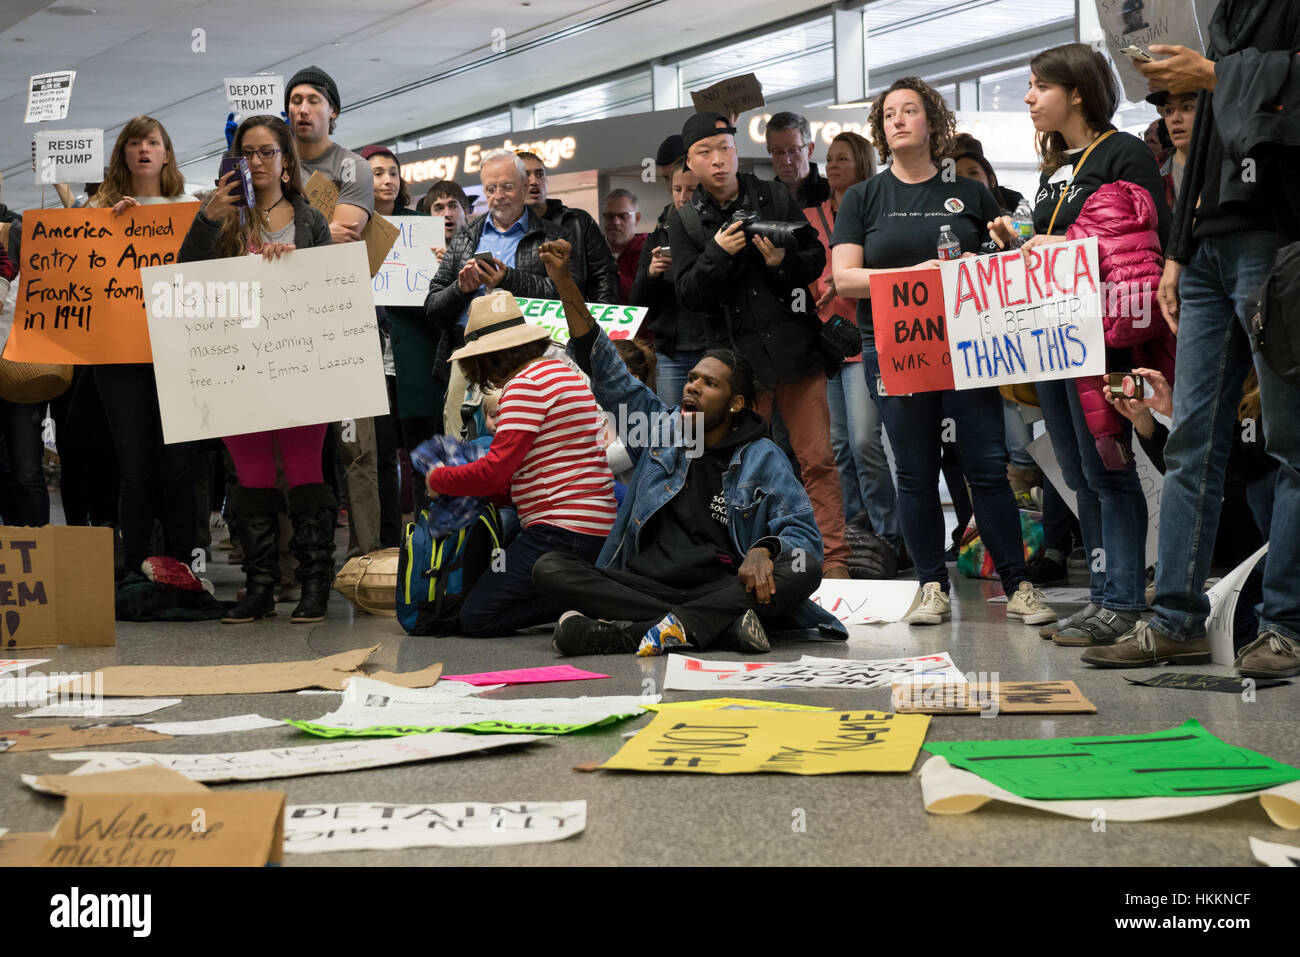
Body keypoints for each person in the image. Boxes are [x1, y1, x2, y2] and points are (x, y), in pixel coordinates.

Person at [1085, 1, 1300, 677]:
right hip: (1209, 241)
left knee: (1290, 442)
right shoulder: (1223, 9)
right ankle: (1174, 616)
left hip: (1277, 232)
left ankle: (1286, 624)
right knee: (1191, 441)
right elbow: (1202, 139)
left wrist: (1212, 72)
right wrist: (1177, 251)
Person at [532, 238, 844, 656]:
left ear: (735, 404)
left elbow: (805, 537)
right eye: (693, 378)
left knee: (803, 571)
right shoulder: (661, 431)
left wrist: (764, 549)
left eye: (709, 383)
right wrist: (564, 282)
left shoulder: (759, 456)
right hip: (645, 582)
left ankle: (641, 632)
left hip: (724, 583)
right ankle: (718, 625)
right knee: (550, 568)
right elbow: (603, 364)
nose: (693, 387)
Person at [830, 77, 1057, 626]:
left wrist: (1008, 245)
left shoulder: (971, 194)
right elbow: (844, 279)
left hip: (966, 344)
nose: (898, 121)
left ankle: (1018, 585)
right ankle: (931, 585)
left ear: (932, 121)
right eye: (889, 115)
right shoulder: (864, 197)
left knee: (986, 465)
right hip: (895, 345)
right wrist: (908, 275)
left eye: (910, 111)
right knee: (914, 469)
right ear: (881, 130)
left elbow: (1002, 261)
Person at [988, 43, 1170, 647]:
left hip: (1105, 340)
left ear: (1078, 92)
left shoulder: (1125, 153)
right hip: (1053, 339)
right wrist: (1022, 240)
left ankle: (1122, 598)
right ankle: (1101, 596)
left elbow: (1142, 247)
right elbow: (1061, 245)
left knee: (1109, 469)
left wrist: (1062, 249)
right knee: (1077, 475)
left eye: (1040, 85)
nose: (1029, 97)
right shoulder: (1053, 168)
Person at [670, 111, 852, 579]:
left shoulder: (772, 195)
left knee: (818, 462)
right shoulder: (686, 219)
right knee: (743, 468)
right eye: (704, 153)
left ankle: (832, 562)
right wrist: (718, 254)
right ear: (690, 163)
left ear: (737, 151)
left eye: (725, 149)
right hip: (738, 371)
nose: (718, 160)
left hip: (797, 352)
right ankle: (752, 561)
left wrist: (781, 263)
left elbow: (813, 259)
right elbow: (689, 293)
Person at [177, 114, 335, 623]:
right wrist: (207, 220)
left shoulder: (310, 221)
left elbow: (327, 288)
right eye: (247, 152)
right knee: (252, 476)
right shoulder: (221, 218)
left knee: (306, 470)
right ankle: (260, 587)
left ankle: (314, 585)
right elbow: (185, 282)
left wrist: (295, 263)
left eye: (268, 152)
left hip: (301, 363)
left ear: (287, 161)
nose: (257, 162)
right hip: (237, 364)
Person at [424, 290, 617, 637]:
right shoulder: (560, 373)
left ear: (488, 358)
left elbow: (494, 471)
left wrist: (440, 479)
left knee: (477, 616)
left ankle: (590, 596)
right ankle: (587, 589)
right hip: (592, 525)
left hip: (559, 529)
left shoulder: (525, 386)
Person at [87, 117, 201, 574]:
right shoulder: (97, 207)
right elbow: (82, 277)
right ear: (123, 154)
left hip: (178, 354)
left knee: (179, 469)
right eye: (134, 143)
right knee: (134, 469)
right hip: (120, 358)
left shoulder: (189, 206)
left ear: (167, 152)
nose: (144, 150)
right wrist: (109, 226)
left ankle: (181, 569)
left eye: (152, 142)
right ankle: (136, 570)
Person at [286, 65, 382, 557]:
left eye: (313, 100)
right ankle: (287, 565)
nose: (302, 108)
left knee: (357, 449)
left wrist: (289, 230)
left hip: (343, 321)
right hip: (281, 322)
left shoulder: (353, 168)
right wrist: (317, 233)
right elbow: (324, 236)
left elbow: (345, 237)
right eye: (295, 100)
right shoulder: (270, 161)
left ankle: (366, 559)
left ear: (333, 112)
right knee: (286, 446)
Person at [424, 149, 572, 437]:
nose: (499, 195)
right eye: (491, 189)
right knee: (459, 436)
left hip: (527, 354)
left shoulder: (550, 235)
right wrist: (460, 288)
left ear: (523, 185)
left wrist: (509, 279)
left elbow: (564, 293)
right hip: (469, 351)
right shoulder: (466, 239)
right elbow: (433, 307)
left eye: (506, 186)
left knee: (522, 437)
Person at [806, 131, 900, 553]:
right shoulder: (811, 215)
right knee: (838, 446)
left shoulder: (873, 206)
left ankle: (890, 532)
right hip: (825, 340)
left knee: (864, 439)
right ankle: (854, 534)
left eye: (841, 158)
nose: (832, 166)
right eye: (828, 159)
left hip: (866, 337)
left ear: (861, 162)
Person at [363, 145, 433, 517]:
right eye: (377, 173)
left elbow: (434, 301)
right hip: (367, 357)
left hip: (414, 358)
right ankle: (386, 542)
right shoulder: (351, 226)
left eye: (393, 172)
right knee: (380, 455)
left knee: (425, 456)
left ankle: (429, 541)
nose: (388, 180)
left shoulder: (417, 226)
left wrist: (439, 266)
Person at [630, 157, 711, 407]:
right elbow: (637, 301)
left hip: (710, 345)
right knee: (674, 425)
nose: (684, 196)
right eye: (678, 189)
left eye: (692, 189)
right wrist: (652, 274)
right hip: (671, 351)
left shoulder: (715, 231)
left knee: (710, 422)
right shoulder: (657, 235)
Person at [518, 151, 617, 303]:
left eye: (539, 174)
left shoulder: (577, 221)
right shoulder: (508, 229)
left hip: (576, 317)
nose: (534, 181)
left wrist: (600, 320)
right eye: (526, 175)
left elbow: (604, 275)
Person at [765, 111, 830, 209]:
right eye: (778, 152)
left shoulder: (832, 194)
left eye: (793, 151)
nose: (786, 161)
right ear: (769, 151)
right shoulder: (764, 199)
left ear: (810, 150)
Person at [1149, 90, 1197, 205]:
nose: (1175, 118)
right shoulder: (1153, 171)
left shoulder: (1231, 166)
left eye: (1187, 107)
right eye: (1169, 110)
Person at [602, 188, 646, 304]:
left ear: (636, 218)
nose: (616, 222)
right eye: (610, 216)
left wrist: (611, 274)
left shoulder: (648, 252)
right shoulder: (593, 252)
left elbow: (642, 295)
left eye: (623, 216)